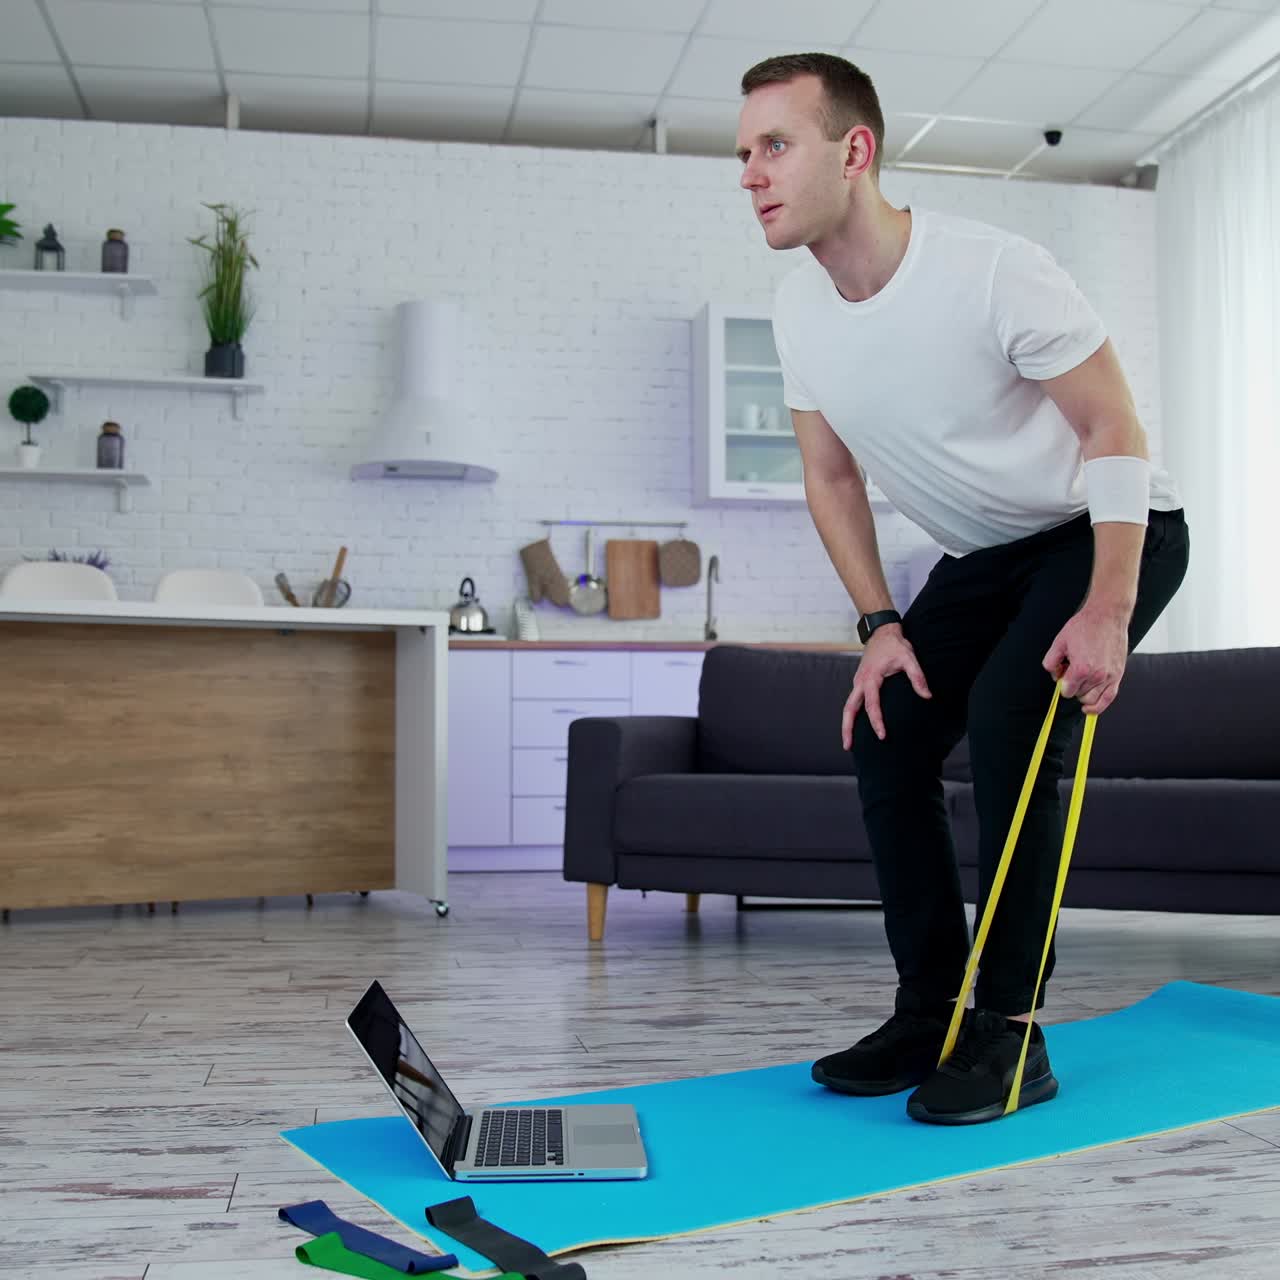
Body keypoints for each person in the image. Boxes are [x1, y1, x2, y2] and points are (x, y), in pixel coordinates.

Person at [735, 52, 1190, 1126]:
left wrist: (1108, 609)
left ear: (853, 151)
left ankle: (1009, 1034)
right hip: (986, 555)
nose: (748, 172)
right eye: (741, 152)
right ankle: (929, 1009)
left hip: (1109, 526)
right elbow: (829, 474)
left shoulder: (992, 269)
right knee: (889, 727)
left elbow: (1112, 429)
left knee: (1006, 713)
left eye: (773, 145)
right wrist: (879, 624)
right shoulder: (797, 310)